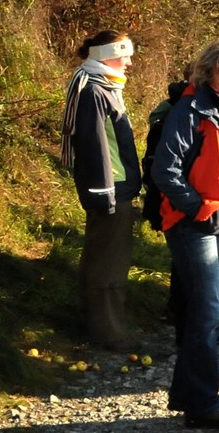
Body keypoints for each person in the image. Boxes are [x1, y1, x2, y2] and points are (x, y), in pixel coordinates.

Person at [151, 40, 219, 429]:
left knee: (218, 306)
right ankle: (203, 403)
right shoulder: (191, 110)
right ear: (208, 74)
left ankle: (191, 395)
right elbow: (165, 169)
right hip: (192, 224)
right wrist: (196, 206)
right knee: (206, 312)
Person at [61, 30, 141, 353]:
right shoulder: (94, 91)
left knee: (104, 258)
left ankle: (101, 327)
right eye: (125, 56)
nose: (130, 63)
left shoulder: (102, 87)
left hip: (115, 190)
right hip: (111, 192)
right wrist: (104, 195)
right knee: (108, 265)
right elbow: (94, 147)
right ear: (108, 55)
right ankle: (110, 334)